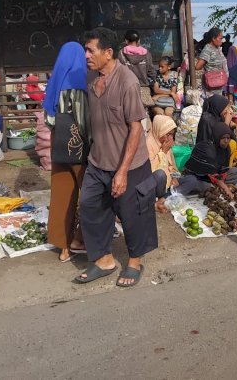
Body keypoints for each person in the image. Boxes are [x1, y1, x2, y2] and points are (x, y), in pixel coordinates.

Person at [76, 28, 156, 288]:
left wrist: (122, 171)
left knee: (133, 213)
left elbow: (136, 128)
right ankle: (104, 259)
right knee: (90, 207)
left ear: (108, 53)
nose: (86, 55)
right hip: (98, 161)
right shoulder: (91, 78)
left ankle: (135, 261)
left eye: (91, 50)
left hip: (129, 164)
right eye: (85, 50)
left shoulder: (128, 81)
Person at [43, 43, 90, 263]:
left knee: (62, 193)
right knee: (90, 193)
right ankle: (80, 239)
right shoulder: (78, 83)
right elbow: (83, 122)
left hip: (58, 142)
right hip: (77, 144)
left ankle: (63, 248)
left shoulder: (54, 83)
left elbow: (49, 119)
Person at [176, 122, 237, 197]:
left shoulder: (226, 149)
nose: (226, 141)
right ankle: (216, 187)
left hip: (213, 177)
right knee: (205, 186)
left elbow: (223, 171)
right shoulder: (206, 149)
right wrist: (226, 189)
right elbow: (214, 175)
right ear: (217, 136)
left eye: (228, 138)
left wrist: (222, 182)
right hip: (197, 177)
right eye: (223, 138)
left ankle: (217, 186)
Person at [146, 115, 179, 213]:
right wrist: (163, 152)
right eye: (167, 134)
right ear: (159, 131)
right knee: (160, 174)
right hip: (155, 185)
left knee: (192, 180)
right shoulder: (148, 143)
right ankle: (163, 197)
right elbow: (152, 170)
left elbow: (173, 166)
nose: (169, 138)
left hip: (169, 185)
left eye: (171, 134)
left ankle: (164, 198)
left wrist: (175, 177)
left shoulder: (166, 142)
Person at [118, 30, 156, 108]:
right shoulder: (146, 53)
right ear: (139, 41)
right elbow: (152, 72)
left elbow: (119, 72)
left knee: (129, 112)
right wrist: (149, 84)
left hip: (127, 89)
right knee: (144, 113)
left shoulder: (121, 53)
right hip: (143, 88)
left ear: (126, 41)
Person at [195, 27, 228, 96]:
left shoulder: (217, 49)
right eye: (220, 38)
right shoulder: (208, 49)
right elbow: (198, 66)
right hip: (211, 89)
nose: (222, 41)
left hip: (219, 85)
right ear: (213, 38)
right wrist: (211, 71)